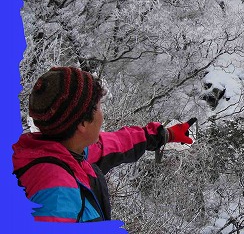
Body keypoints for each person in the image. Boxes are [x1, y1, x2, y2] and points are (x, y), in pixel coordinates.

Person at [12, 66, 195, 222]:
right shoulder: (58, 196)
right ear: (82, 123)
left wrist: (164, 135)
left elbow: (115, 144)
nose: (102, 114)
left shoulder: (62, 150)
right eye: (99, 106)